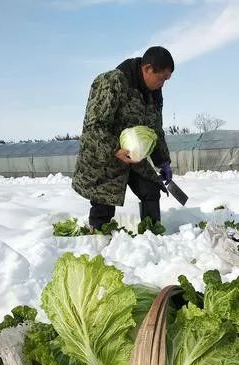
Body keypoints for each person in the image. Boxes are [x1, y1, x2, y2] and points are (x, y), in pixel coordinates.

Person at [72, 46, 175, 230]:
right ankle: (98, 237)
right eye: (161, 78)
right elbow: (94, 125)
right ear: (147, 68)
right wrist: (115, 149)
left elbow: (155, 130)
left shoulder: (154, 93)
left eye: (166, 80)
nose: (163, 84)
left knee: (151, 190)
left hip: (132, 155)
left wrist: (163, 161)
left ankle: (152, 235)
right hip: (105, 153)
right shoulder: (112, 82)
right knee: (104, 201)